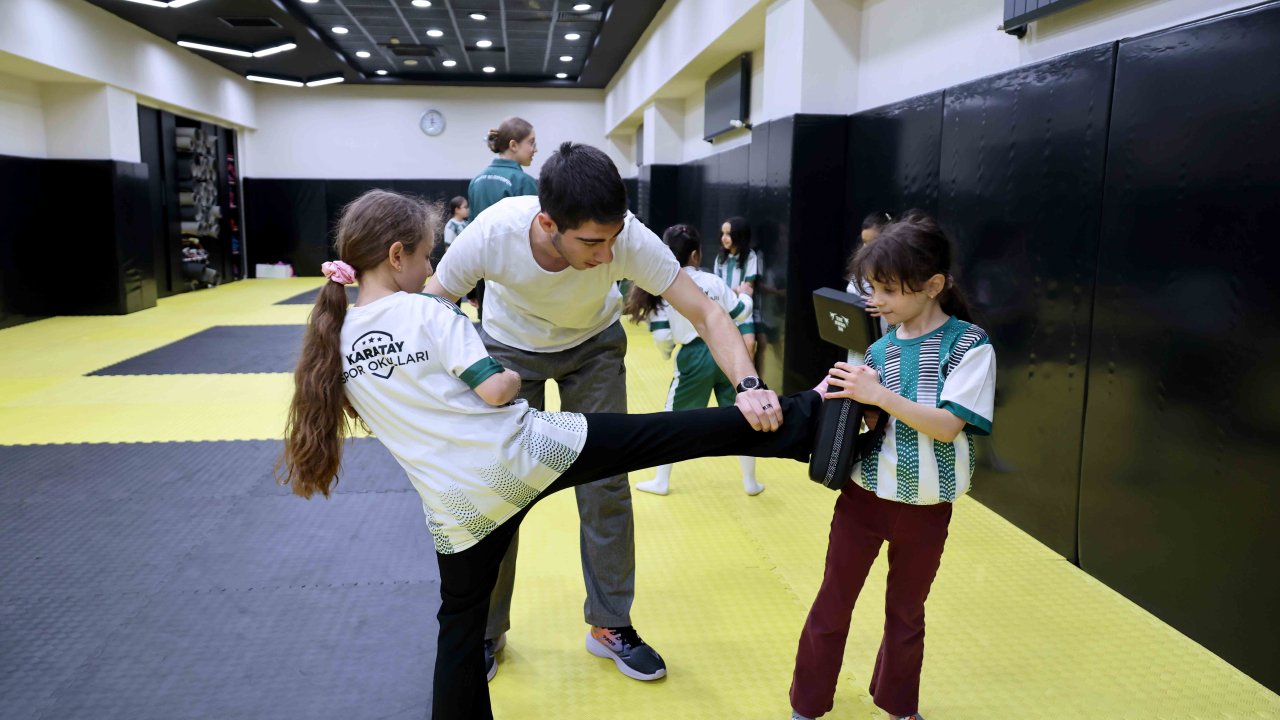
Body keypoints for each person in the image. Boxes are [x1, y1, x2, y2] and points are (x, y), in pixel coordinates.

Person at [277, 188, 820, 720]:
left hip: (455, 510)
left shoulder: (334, 344)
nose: (431, 266)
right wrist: (509, 377)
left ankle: (592, 629)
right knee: (664, 434)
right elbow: (491, 387)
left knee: (456, 629)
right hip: (526, 449)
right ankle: (811, 418)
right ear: (398, 256)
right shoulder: (444, 300)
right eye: (425, 255)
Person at [425, 142, 783, 684]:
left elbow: (707, 312)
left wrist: (749, 384)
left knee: (606, 486)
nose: (605, 255)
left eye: (612, 239)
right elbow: (434, 305)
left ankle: (610, 624)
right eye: (591, 242)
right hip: (507, 351)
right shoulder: (493, 232)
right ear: (548, 223)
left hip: (593, 347)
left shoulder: (627, 238)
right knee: (498, 491)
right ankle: (487, 629)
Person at [789, 213, 996, 720]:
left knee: (906, 615)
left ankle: (900, 705)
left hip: (928, 507)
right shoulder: (878, 348)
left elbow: (949, 425)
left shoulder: (971, 345)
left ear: (933, 286)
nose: (873, 300)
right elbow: (871, 423)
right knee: (831, 605)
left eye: (887, 290)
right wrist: (855, 404)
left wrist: (880, 395)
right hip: (863, 499)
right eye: (872, 287)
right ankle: (807, 706)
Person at [623, 223, 764, 496]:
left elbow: (663, 334)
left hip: (693, 355)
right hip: (727, 349)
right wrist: (746, 297)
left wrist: (666, 353)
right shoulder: (712, 281)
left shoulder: (664, 286)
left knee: (671, 419)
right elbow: (738, 312)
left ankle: (661, 481)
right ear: (696, 255)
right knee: (745, 414)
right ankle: (750, 482)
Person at [466, 117, 539, 318]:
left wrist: (471, 286)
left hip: (483, 273)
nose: (535, 149)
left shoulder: (477, 180)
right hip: (514, 278)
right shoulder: (524, 182)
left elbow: (471, 234)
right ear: (513, 145)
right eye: (531, 142)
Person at [714, 216, 762, 357]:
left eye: (728, 234)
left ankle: (749, 380)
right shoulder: (720, 257)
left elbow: (747, 288)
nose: (724, 238)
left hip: (742, 309)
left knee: (750, 345)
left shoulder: (750, 257)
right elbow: (717, 289)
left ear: (739, 235)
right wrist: (735, 291)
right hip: (722, 309)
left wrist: (728, 292)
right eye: (723, 234)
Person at [432, 196, 469, 268]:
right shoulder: (451, 225)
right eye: (465, 207)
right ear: (457, 210)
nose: (467, 210)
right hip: (458, 262)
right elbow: (448, 247)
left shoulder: (466, 223)